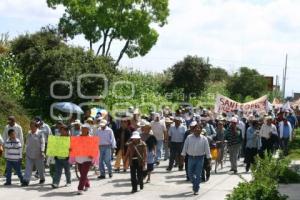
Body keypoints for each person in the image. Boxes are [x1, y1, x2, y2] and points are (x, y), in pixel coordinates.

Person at [181, 123, 211, 195]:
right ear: (193, 129)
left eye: (199, 128)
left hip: (200, 159)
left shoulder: (204, 139)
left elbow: (207, 149)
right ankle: (195, 183)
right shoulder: (189, 137)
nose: (197, 129)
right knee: (190, 173)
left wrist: (209, 158)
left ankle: (196, 189)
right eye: (196, 128)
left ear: (201, 130)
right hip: (190, 158)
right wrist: (183, 155)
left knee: (198, 174)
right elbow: (185, 147)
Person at [22, 121, 45, 186]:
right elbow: (26, 143)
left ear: (36, 126)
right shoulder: (29, 133)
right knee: (28, 168)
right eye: (30, 126)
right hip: (29, 153)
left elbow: (42, 143)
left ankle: (42, 178)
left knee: (40, 168)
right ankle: (26, 181)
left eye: (33, 126)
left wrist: (42, 151)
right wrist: (24, 151)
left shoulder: (40, 133)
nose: (31, 127)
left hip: (38, 153)